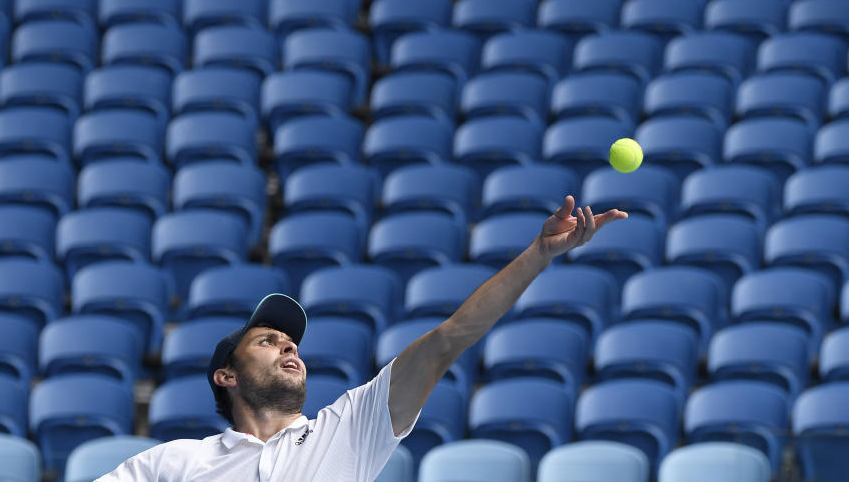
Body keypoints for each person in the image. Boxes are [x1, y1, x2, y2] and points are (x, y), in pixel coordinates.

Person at [100, 196, 627, 481]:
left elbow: (450, 339)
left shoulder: (350, 427)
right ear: (226, 376)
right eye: (267, 340)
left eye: (292, 342)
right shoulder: (172, 464)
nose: (289, 346)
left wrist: (538, 254)